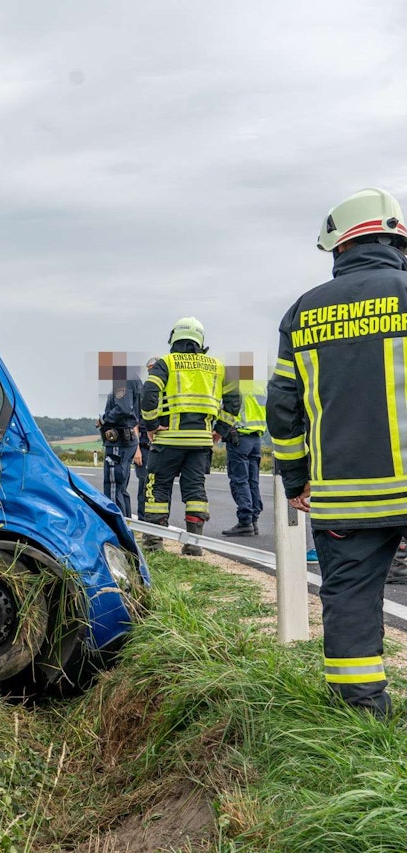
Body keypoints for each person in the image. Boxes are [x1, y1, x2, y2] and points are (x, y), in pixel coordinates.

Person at [267, 186, 407, 719]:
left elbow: (282, 408)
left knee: (349, 600)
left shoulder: (302, 313)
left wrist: (296, 479)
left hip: (343, 495)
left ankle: (362, 717)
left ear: (338, 247)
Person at [139, 317, 240, 555]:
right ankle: (194, 545)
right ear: (200, 339)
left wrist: (152, 425)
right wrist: (220, 431)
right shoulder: (217, 366)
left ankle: (154, 545)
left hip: (168, 440)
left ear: (174, 337)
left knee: (157, 490)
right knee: (196, 491)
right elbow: (234, 401)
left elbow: (149, 393)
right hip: (200, 442)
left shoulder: (167, 363)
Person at [222, 378, 267, 536]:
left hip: (240, 437)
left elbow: (229, 407)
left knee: (239, 480)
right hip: (256, 438)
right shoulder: (260, 386)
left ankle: (245, 521)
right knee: (253, 481)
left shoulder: (237, 384)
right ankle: (254, 520)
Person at [97, 378, 141, 517]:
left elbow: (123, 408)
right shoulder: (135, 379)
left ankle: (116, 529)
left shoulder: (123, 379)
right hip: (127, 440)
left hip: (119, 441)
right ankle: (127, 526)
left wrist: (103, 420)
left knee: (113, 488)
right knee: (121, 489)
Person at [133, 357, 158, 513]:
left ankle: (158, 523)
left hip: (162, 445)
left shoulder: (167, 392)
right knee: (145, 484)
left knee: (159, 486)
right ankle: (144, 521)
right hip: (144, 445)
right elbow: (133, 421)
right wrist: (136, 449)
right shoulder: (142, 392)